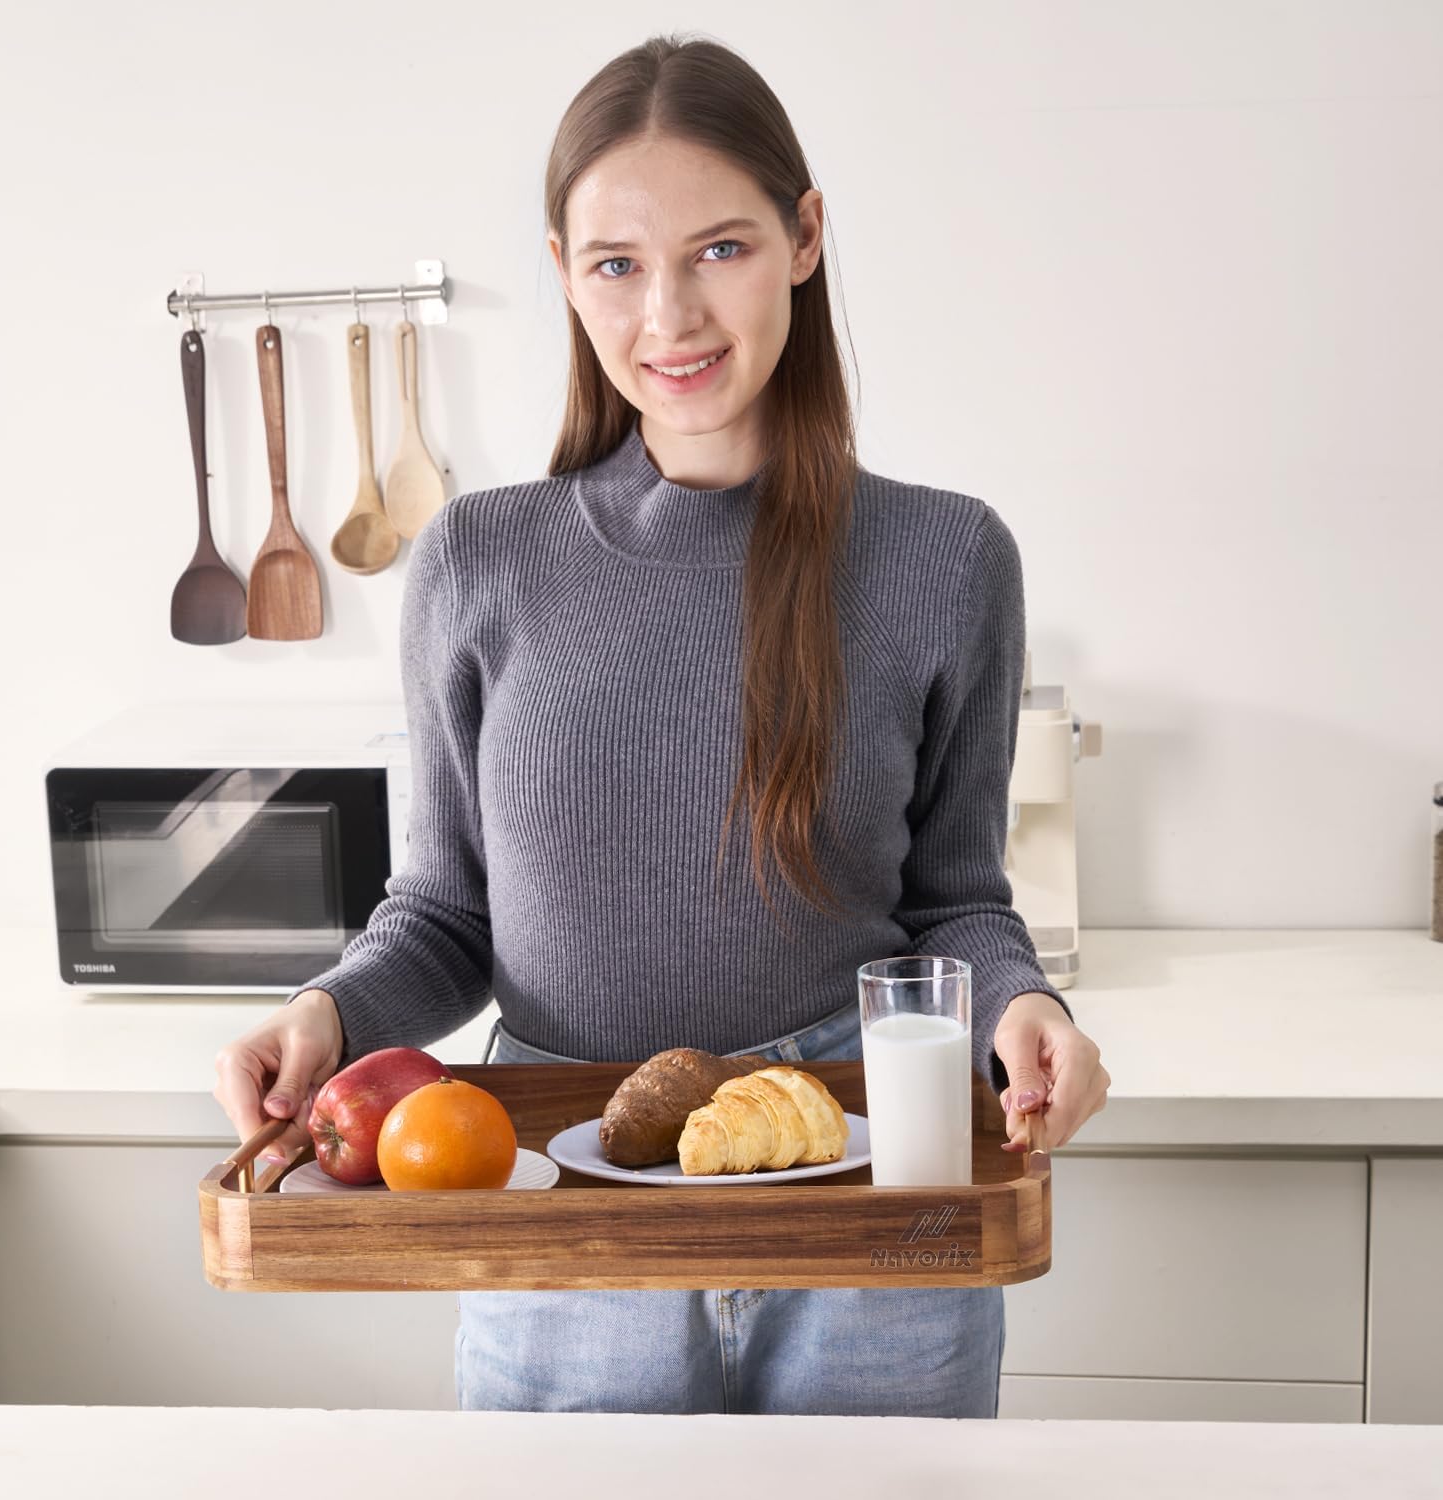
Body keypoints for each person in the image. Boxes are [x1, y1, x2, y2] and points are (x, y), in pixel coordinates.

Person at [214, 30, 1110, 1418]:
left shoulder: (947, 560)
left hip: (866, 1186)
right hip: (564, 1196)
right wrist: (327, 1014)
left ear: (805, 237)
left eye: (722, 249)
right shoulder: (475, 563)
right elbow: (446, 916)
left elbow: (956, 908)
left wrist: (1027, 1007)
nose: (670, 317)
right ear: (566, 274)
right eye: (617, 264)